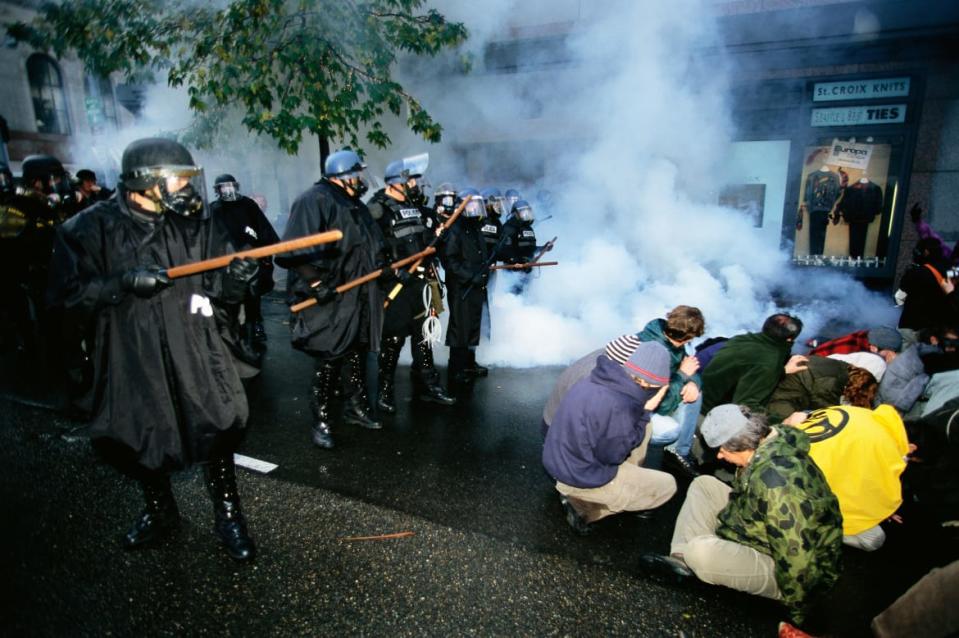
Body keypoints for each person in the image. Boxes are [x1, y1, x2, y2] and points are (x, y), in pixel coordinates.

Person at [46, 137, 261, 561]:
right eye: (176, 178)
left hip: (194, 342)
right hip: (132, 350)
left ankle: (229, 515)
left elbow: (219, 285)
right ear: (144, 182)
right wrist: (120, 284)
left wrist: (237, 279)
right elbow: (63, 298)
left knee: (215, 424)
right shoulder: (87, 229)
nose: (185, 186)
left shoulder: (198, 221)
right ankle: (161, 512)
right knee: (144, 432)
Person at [641, 404, 843, 624]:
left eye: (722, 450)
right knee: (704, 485)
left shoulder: (777, 484)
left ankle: (695, 556)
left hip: (797, 573)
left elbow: (798, 557)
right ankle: (681, 560)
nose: (719, 456)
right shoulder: (768, 441)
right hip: (766, 531)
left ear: (741, 446)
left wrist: (799, 614)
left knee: (699, 552)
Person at [277, 149, 386, 449]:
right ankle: (321, 419)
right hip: (328, 296)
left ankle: (355, 407)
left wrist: (383, 266)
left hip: (356, 293)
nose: (362, 179)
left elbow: (369, 244)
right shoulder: (314, 200)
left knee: (355, 351)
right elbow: (292, 250)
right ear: (343, 176)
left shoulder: (354, 204)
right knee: (329, 357)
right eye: (357, 174)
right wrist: (314, 282)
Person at [543, 341, 677, 534]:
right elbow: (612, 457)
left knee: (644, 428)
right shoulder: (619, 405)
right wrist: (646, 410)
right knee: (667, 485)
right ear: (654, 384)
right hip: (577, 476)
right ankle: (585, 507)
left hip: (560, 461)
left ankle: (621, 483)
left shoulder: (597, 378)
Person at [367, 156, 454, 413]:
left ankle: (428, 384)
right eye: (413, 180)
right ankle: (384, 391)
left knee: (424, 335)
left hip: (420, 283)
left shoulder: (414, 208)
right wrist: (392, 273)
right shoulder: (377, 209)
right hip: (395, 284)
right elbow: (370, 251)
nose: (416, 185)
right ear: (398, 182)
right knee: (393, 340)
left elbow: (420, 241)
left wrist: (435, 238)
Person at [782, 405, 910, 551]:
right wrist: (881, 508)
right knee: (873, 540)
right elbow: (861, 487)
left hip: (781, 456)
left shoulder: (862, 414)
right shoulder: (883, 449)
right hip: (793, 490)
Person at [209, 173, 280, 346]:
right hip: (226, 262)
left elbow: (264, 230)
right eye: (224, 187)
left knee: (253, 295)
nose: (228, 190)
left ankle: (256, 325)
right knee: (229, 298)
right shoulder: (213, 209)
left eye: (230, 186)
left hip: (251, 259)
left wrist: (265, 255)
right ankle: (233, 331)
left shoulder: (248, 205)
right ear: (218, 190)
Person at [439, 187, 490, 389]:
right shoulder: (455, 229)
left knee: (473, 323)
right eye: (473, 205)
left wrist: (482, 273)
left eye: (479, 205)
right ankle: (456, 369)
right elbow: (450, 262)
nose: (477, 209)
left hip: (476, 284)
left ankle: (469, 362)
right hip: (461, 286)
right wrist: (471, 276)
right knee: (460, 326)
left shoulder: (474, 227)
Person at [766, 353, 883, 422]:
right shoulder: (831, 383)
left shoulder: (842, 367)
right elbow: (827, 410)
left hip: (785, 385)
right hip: (780, 398)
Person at [896, 237, 959, 339]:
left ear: (926, 252)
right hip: (940, 330)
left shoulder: (916, 272)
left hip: (913, 326)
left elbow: (900, 295)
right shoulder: (951, 273)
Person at [806, 325, 901, 363]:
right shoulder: (854, 354)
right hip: (812, 367)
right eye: (889, 351)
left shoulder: (866, 336)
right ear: (873, 348)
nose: (892, 355)